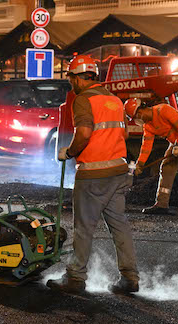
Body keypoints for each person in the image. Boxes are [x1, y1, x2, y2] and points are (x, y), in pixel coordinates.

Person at [47, 54, 139, 296]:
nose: (71, 84)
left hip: (93, 174)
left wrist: (69, 152)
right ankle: (130, 277)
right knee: (119, 226)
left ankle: (75, 277)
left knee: (84, 228)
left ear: (78, 78)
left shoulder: (83, 99)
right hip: (118, 172)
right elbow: (125, 134)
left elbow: (84, 133)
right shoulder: (115, 100)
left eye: (71, 78)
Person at [125, 98, 178, 217]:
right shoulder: (148, 126)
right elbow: (146, 146)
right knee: (166, 168)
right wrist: (140, 164)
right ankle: (161, 204)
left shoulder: (163, 110)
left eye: (135, 118)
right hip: (176, 142)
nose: (136, 121)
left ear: (140, 112)